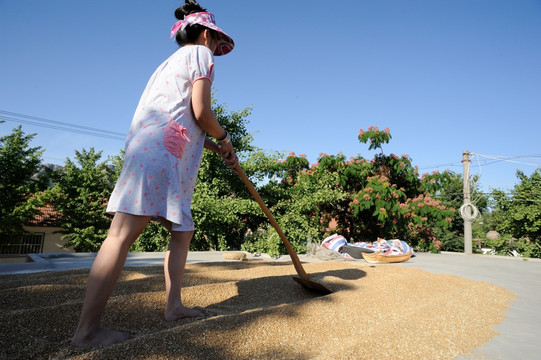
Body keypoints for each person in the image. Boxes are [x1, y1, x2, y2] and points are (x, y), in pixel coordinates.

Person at [71, 0, 237, 348]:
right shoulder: (200, 55)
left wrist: (215, 146)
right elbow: (202, 111)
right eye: (216, 41)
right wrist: (223, 137)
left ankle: (174, 306)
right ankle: (86, 332)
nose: (216, 48)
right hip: (159, 156)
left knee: (182, 231)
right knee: (121, 235)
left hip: (161, 151)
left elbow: (184, 121)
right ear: (207, 34)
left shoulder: (168, 63)